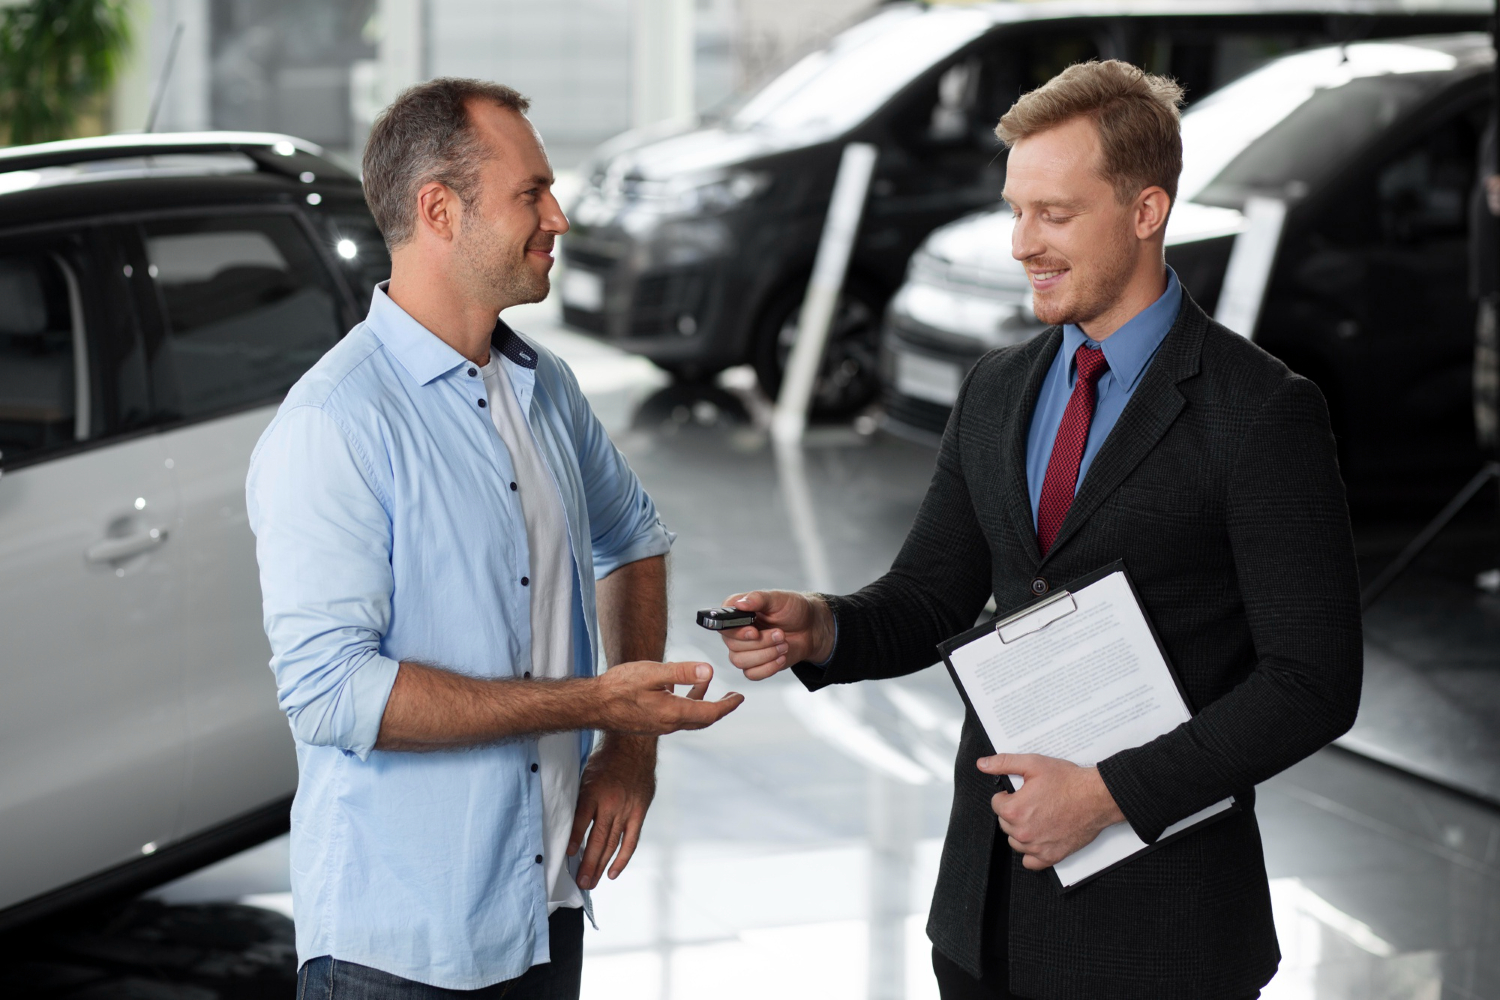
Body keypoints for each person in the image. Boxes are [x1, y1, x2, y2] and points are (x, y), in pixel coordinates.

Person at [717, 61, 1361, 1000]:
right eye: (1016, 211)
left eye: (1054, 214)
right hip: (986, 920)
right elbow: (931, 592)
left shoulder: (1261, 411)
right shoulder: (998, 390)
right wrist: (824, 624)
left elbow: (1312, 683)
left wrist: (1107, 797)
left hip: (1166, 936)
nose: (1023, 244)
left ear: (1146, 211)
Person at [246, 78, 742, 999]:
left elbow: (633, 538)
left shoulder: (544, 386)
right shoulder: (335, 423)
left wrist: (627, 751)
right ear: (440, 209)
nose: (558, 214)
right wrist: (594, 702)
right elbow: (330, 693)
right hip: (397, 949)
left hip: (545, 907)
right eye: (531, 193)